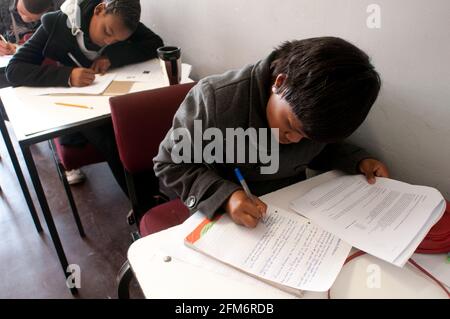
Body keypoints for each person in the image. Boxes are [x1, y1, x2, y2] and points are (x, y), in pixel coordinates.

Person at [154, 37, 390, 228]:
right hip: (225, 214)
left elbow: (323, 150)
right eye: (290, 127)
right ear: (280, 83)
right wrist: (225, 197)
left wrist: (358, 160)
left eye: (307, 138)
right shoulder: (214, 100)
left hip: (292, 211)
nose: (294, 140)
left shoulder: (319, 111)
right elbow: (170, 163)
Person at [6, 0, 163, 188]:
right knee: (112, 137)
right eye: (107, 32)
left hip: (112, 98)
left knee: (138, 125)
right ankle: (145, 204)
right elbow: (14, 70)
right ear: (99, 10)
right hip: (79, 106)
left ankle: (152, 197)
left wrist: (112, 56)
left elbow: (155, 43)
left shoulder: (122, 21)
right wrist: (68, 75)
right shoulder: (55, 23)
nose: (109, 41)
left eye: (116, 41)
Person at [0, 0, 63, 88]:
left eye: (33, 19)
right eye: (21, 12)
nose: (25, 19)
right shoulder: (3, 5)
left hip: (47, 68)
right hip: (9, 67)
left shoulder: (62, 9)